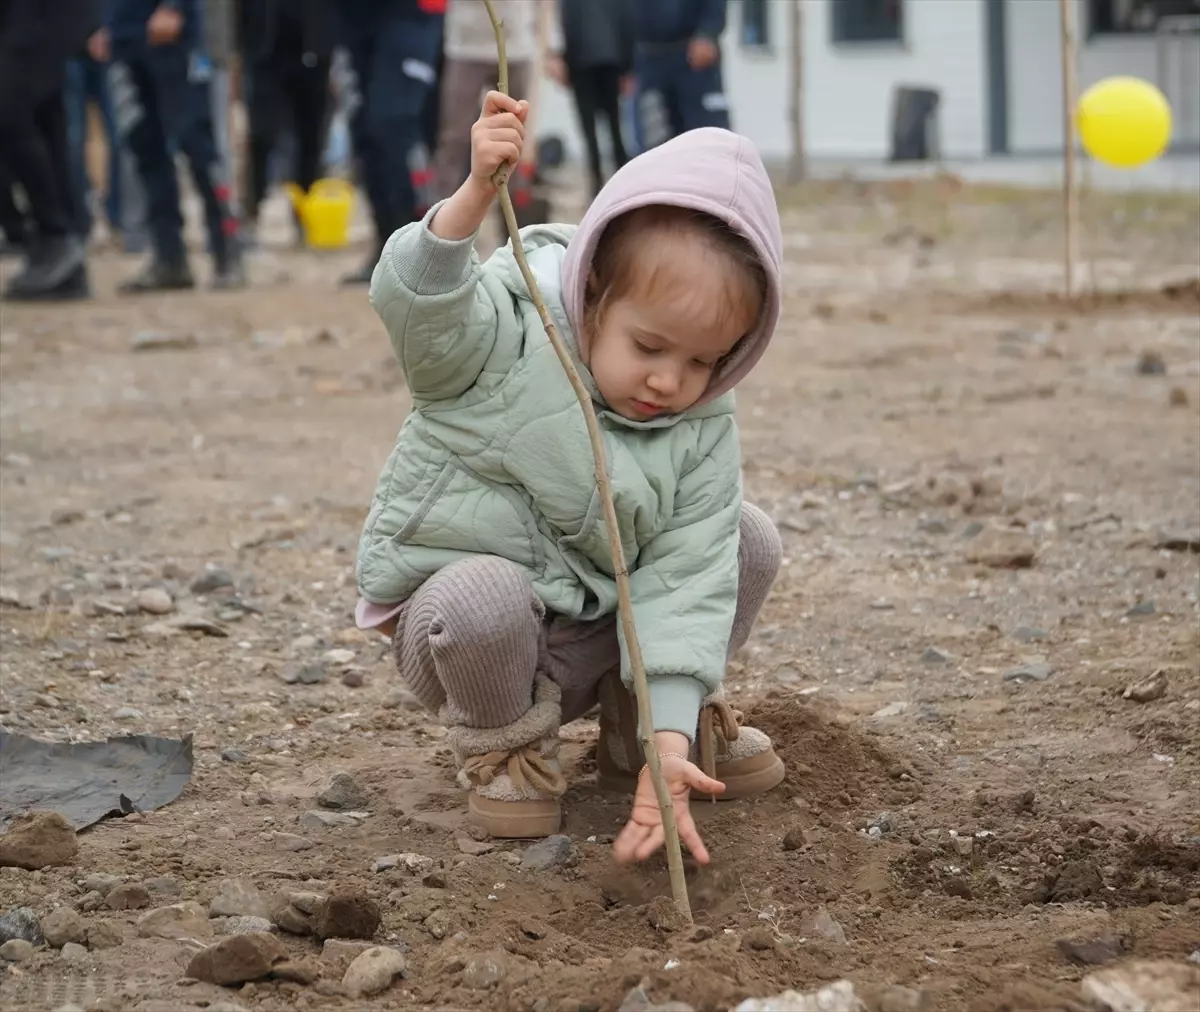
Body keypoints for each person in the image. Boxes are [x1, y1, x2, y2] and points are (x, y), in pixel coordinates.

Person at [355, 91, 786, 859]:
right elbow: (422, 313)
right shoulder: (507, 329)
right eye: (648, 346)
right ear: (590, 293)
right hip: (480, 642)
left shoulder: (700, 419)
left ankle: (642, 727)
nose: (669, 381)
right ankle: (506, 749)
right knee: (484, 595)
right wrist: (473, 196)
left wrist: (668, 738)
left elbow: (687, 578)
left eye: (703, 360)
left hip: (606, 634)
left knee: (744, 537)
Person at [95, 0, 244, 292]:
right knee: (144, 146)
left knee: (197, 143)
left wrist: (174, 6)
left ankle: (227, 248)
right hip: (124, 34)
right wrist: (102, 23)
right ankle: (169, 258)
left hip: (176, 35)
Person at [335, 0, 446, 285]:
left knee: (393, 124)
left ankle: (417, 247)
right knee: (363, 130)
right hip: (354, 15)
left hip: (412, 13)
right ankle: (388, 245)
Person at [0, 0, 97, 300]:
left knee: (9, 112)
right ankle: (58, 248)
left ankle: (56, 234)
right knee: (45, 117)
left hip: (44, 13)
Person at [236, 0, 334, 245]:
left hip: (314, 50)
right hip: (265, 51)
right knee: (262, 133)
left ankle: (305, 214)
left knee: (311, 136)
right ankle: (252, 209)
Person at [433, 0, 538, 202]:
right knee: (454, 136)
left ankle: (513, 211)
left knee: (515, 134)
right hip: (465, 47)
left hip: (516, 47)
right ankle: (444, 208)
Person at [547, 0, 634, 200]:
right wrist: (628, 66)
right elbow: (626, 22)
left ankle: (597, 186)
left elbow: (566, 23)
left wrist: (564, 61)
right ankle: (624, 183)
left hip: (582, 62)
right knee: (614, 126)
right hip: (610, 60)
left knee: (590, 130)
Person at [631, 0, 730, 150]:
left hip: (694, 55)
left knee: (708, 137)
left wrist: (708, 33)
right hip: (648, 57)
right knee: (652, 139)